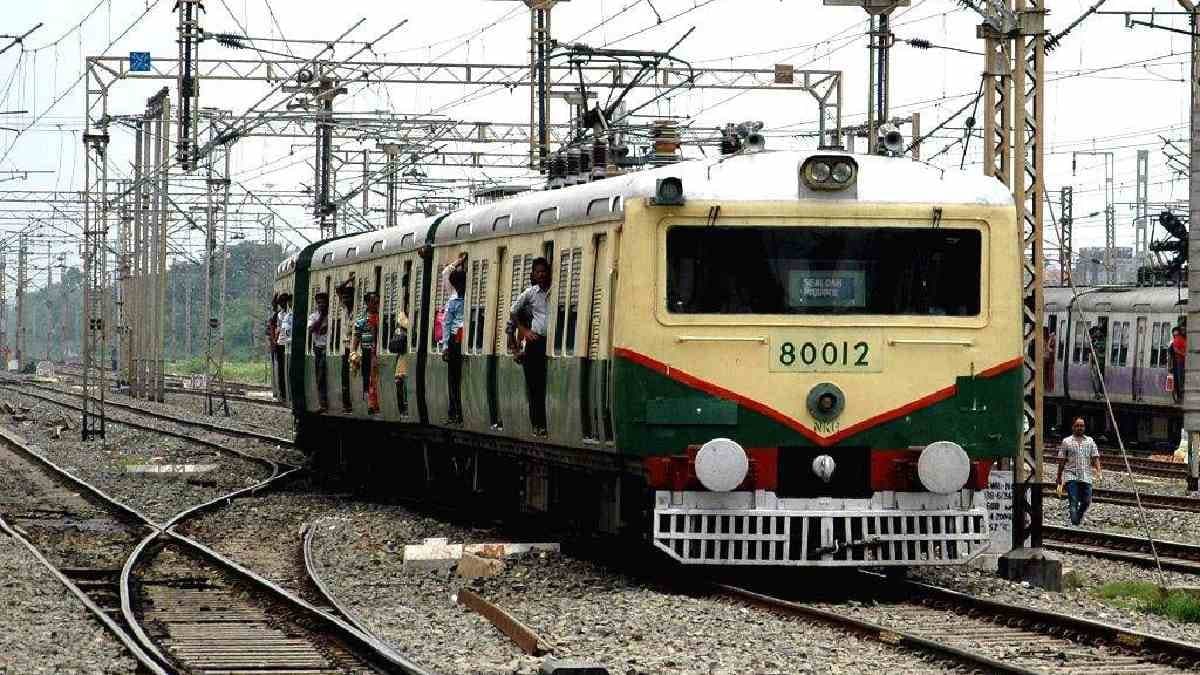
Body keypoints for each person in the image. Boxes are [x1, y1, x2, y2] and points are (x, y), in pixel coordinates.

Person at [507, 257, 551, 436]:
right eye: (537, 271)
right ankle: (537, 424)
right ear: (533, 274)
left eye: (543, 271)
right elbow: (512, 310)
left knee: (544, 385)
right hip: (535, 342)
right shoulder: (530, 293)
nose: (540, 274)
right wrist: (524, 331)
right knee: (535, 386)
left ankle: (545, 422)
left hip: (550, 342)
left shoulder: (556, 290)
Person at [1056, 417, 1102, 526]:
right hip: (1071, 475)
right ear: (1073, 427)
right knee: (1073, 501)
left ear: (1084, 427)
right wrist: (1059, 476)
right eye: (1077, 426)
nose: (1079, 428)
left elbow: (1095, 457)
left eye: (1081, 426)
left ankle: (1078, 517)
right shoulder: (1066, 441)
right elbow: (1061, 460)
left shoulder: (1090, 441)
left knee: (1086, 501)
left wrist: (1099, 471)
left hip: (1086, 475)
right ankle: (1075, 524)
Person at [442, 265, 467, 424]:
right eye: (459, 285)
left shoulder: (468, 298)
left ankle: (458, 410)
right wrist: (445, 347)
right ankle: (454, 411)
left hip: (463, 338)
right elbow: (447, 324)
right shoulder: (452, 302)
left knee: (457, 378)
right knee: (454, 378)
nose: (461, 287)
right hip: (455, 341)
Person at [353, 291, 381, 415]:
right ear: (367, 303)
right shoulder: (362, 319)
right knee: (369, 378)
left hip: (378, 351)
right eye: (373, 301)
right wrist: (353, 352)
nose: (376, 303)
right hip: (367, 351)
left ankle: (374, 403)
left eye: (377, 301)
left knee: (374, 378)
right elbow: (357, 336)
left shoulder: (381, 316)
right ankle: (371, 403)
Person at [335, 275, 356, 413]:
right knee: (344, 376)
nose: (346, 300)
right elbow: (338, 289)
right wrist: (349, 280)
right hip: (345, 347)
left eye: (349, 298)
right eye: (345, 297)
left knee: (351, 375)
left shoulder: (355, 311)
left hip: (353, 347)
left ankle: (350, 403)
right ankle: (346, 403)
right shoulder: (344, 308)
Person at [308, 292, 330, 412]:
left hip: (329, 347)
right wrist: (321, 318)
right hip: (318, 347)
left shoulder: (332, 314)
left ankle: (324, 403)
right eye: (319, 303)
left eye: (324, 302)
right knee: (320, 375)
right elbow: (311, 330)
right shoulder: (313, 316)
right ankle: (322, 402)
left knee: (322, 373)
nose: (321, 305)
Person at [391, 308, 410, 416]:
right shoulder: (402, 318)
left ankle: (403, 408)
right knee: (401, 381)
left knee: (400, 381)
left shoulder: (401, 319)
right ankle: (403, 408)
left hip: (402, 358)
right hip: (403, 357)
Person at [275, 293, 293, 402]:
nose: (282, 305)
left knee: (285, 369)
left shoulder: (290, 314)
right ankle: (283, 392)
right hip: (281, 343)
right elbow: (280, 329)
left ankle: (286, 392)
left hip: (286, 342)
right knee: (281, 370)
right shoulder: (280, 315)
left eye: (283, 302)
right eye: (281, 303)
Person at [1171, 326, 1187, 403]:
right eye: (1183, 330)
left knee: (1183, 380)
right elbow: (1176, 350)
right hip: (1180, 362)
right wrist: (1184, 354)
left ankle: (1181, 397)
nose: (1184, 331)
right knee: (1180, 380)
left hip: (1184, 362)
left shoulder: (1184, 339)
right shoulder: (1177, 339)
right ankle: (1180, 398)